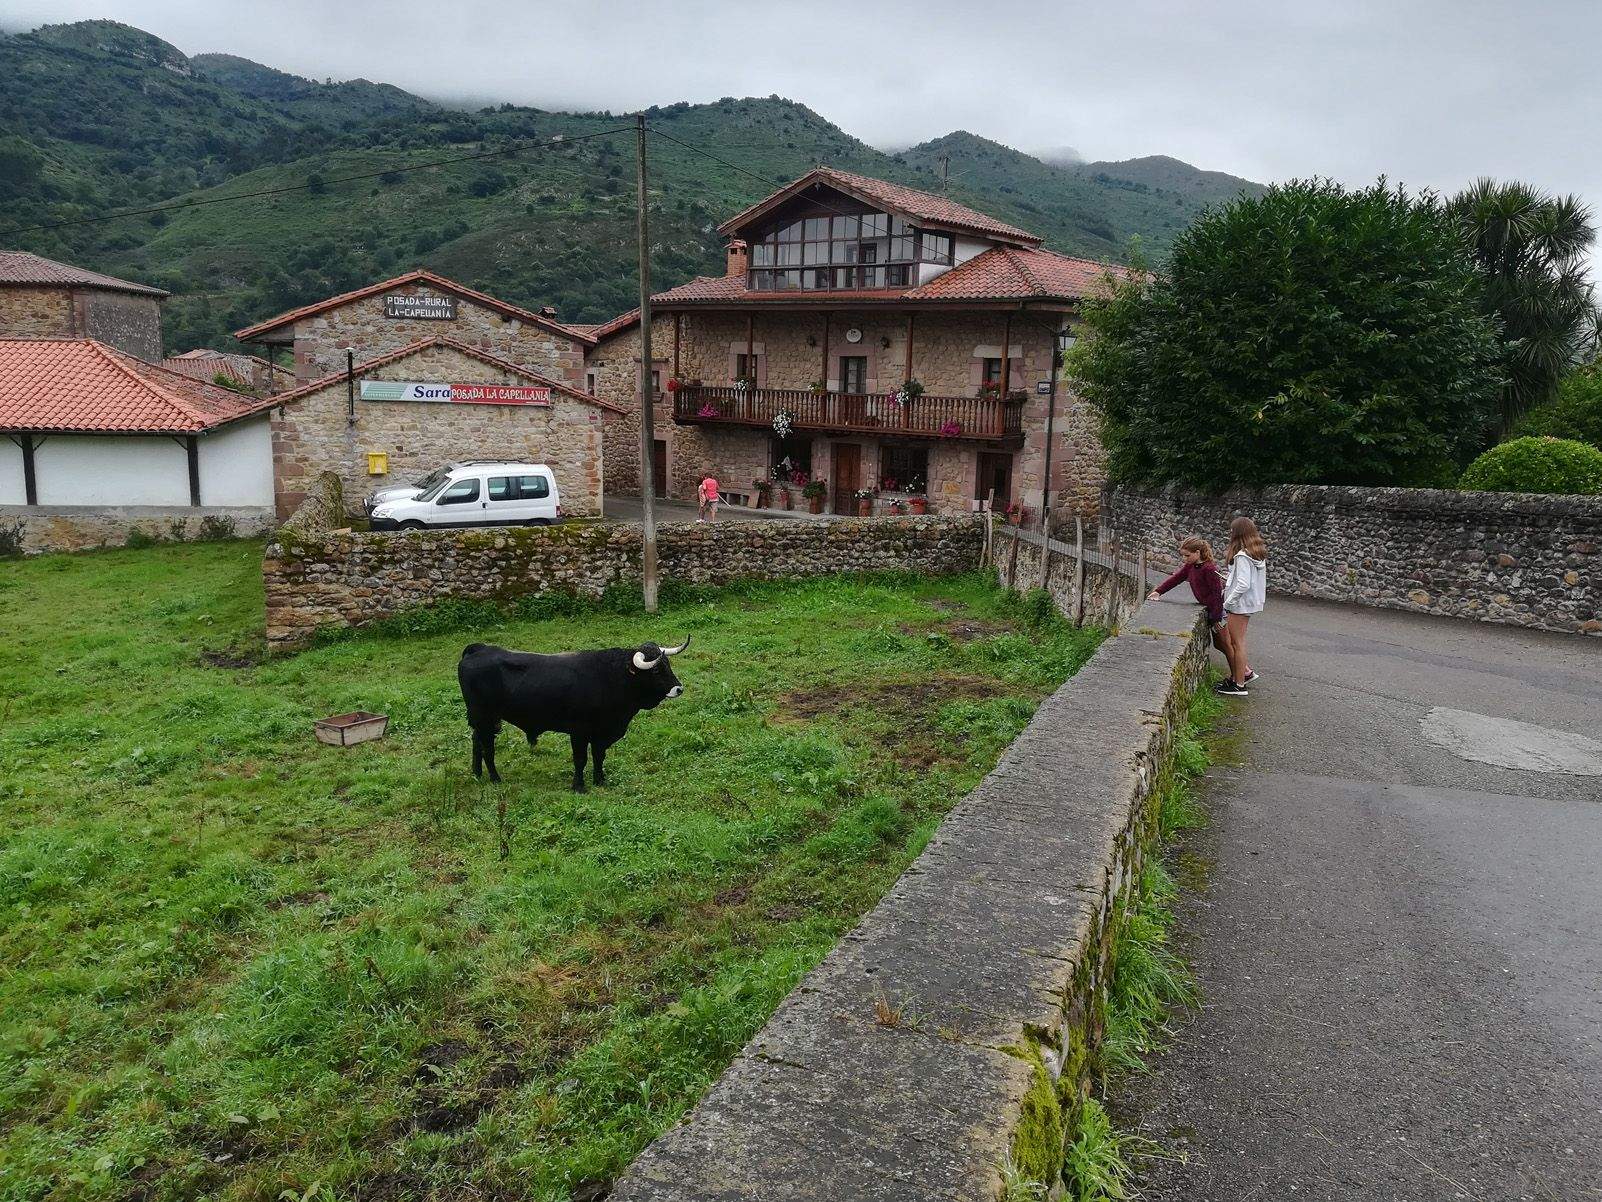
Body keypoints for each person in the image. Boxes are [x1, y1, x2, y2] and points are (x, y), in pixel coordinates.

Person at [1148, 535, 1228, 660]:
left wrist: (1216, 617)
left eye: (1187, 555)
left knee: (1225, 645)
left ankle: (1244, 672)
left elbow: (1217, 594)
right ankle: (1240, 673)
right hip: (1210, 610)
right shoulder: (1190, 566)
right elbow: (1177, 578)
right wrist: (1159, 591)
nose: (1184, 559)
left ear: (1197, 552)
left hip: (1217, 612)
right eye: (1183, 555)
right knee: (1219, 645)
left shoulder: (1209, 569)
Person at [1215, 516, 1267, 696]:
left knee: (1237, 643)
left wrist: (1228, 601)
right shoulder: (1256, 554)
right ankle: (1238, 678)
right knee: (1238, 642)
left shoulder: (1242, 556)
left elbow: (1243, 584)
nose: (1230, 534)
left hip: (1239, 604)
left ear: (1237, 533)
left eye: (1232, 531)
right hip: (1249, 603)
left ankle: (1239, 684)